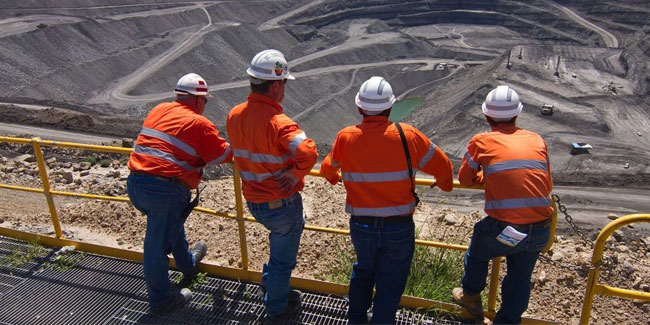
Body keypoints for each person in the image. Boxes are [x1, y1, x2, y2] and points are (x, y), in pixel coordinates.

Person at [320, 76, 454, 324]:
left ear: (360, 108)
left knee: (363, 272)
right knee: (391, 281)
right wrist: (445, 186)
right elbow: (444, 167)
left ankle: (356, 319)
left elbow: (327, 169)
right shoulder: (408, 136)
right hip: (398, 227)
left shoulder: (346, 137)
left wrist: (334, 178)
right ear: (390, 107)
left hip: (362, 225)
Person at [127, 73, 233, 315]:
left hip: (135, 183)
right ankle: (161, 300)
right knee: (156, 246)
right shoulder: (198, 123)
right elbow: (221, 155)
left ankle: (188, 264)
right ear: (197, 101)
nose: (205, 106)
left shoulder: (159, 109)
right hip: (164, 189)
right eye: (205, 101)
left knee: (169, 224)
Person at [226, 49, 318, 323]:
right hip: (280, 203)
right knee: (282, 261)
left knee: (278, 245)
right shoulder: (279, 123)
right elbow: (309, 152)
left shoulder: (234, 115)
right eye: (285, 84)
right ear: (276, 84)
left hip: (254, 201)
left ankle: (269, 283)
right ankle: (277, 308)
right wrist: (294, 172)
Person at [453, 85, 553, 324]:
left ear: (487, 116)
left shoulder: (481, 141)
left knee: (479, 247)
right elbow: (546, 183)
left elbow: (465, 178)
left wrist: (485, 178)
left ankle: (470, 294)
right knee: (520, 277)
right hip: (540, 228)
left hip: (507, 228)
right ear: (517, 114)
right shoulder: (536, 139)